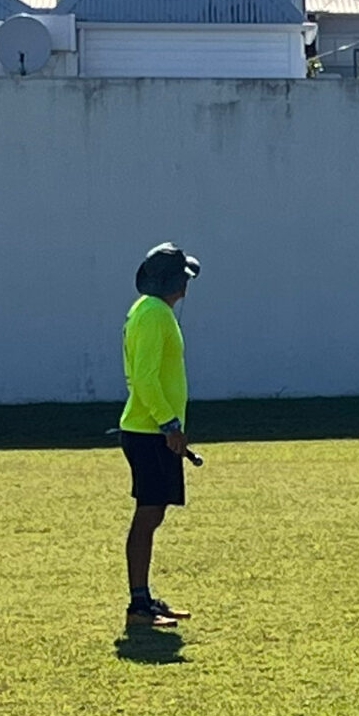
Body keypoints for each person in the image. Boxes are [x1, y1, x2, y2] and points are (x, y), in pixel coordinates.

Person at [119, 242, 200, 626]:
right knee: (148, 514)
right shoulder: (154, 315)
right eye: (183, 277)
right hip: (149, 431)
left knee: (153, 513)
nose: (186, 284)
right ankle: (138, 604)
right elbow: (146, 378)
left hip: (149, 430)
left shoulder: (147, 310)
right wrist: (169, 424)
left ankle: (145, 598)